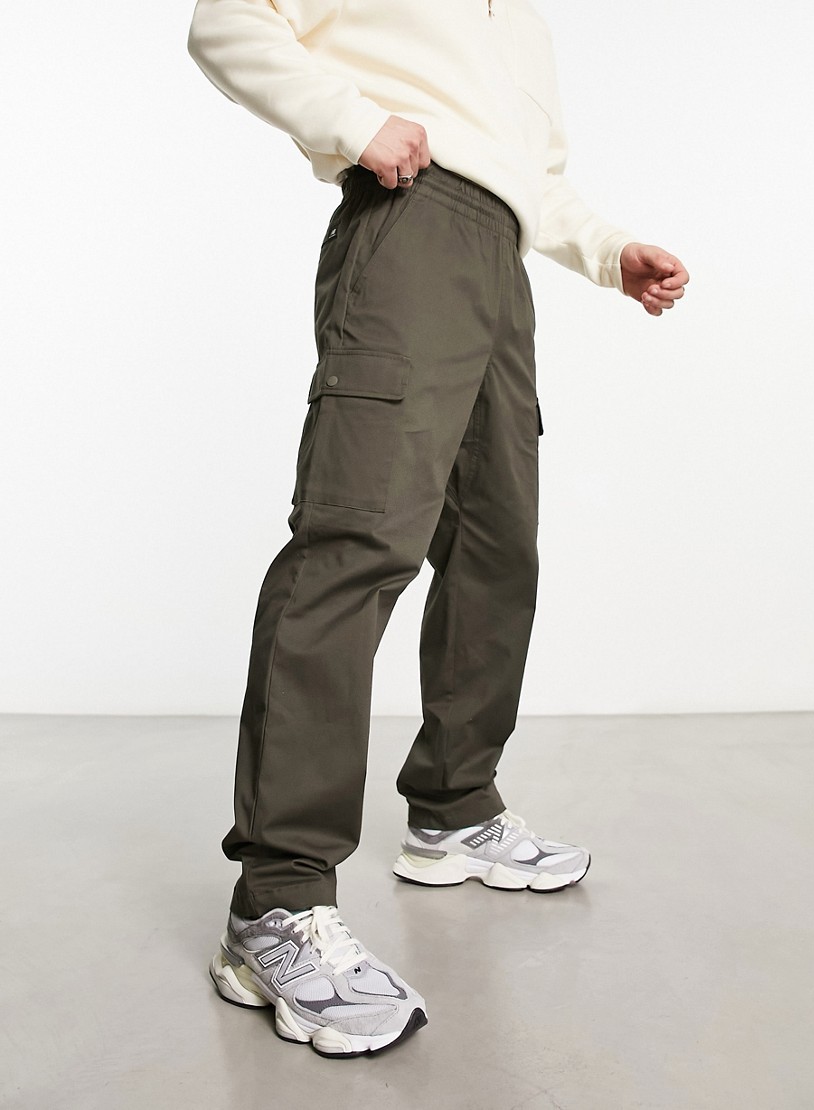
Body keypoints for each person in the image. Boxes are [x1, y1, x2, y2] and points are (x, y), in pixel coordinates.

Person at [187, 0, 689, 1059]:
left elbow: (531, 176)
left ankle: (454, 809)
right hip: (408, 226)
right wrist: (351, 120)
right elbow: (226, 21)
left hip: (500, 261)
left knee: (498, 547)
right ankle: (275, 904)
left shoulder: (524, 23)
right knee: (357, 544)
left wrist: (610, 250)